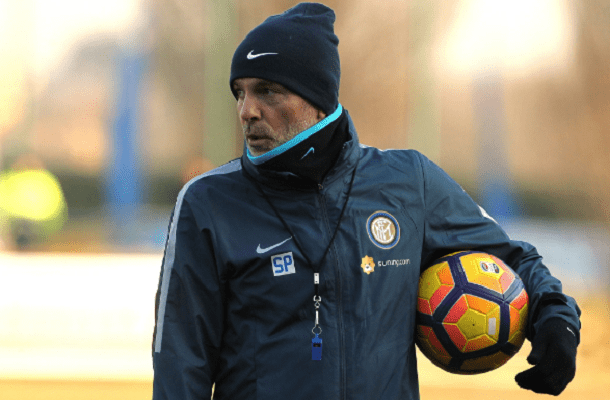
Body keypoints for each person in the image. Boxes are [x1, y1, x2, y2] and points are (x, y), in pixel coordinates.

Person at [152, 3, 581, 399]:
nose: (247, 110)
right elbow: (180, 360)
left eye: (267, 91)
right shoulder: (208, 202)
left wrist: (554, 318)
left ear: (317, 98)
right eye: (240, 92)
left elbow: (514, 260)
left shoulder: (409, 183)